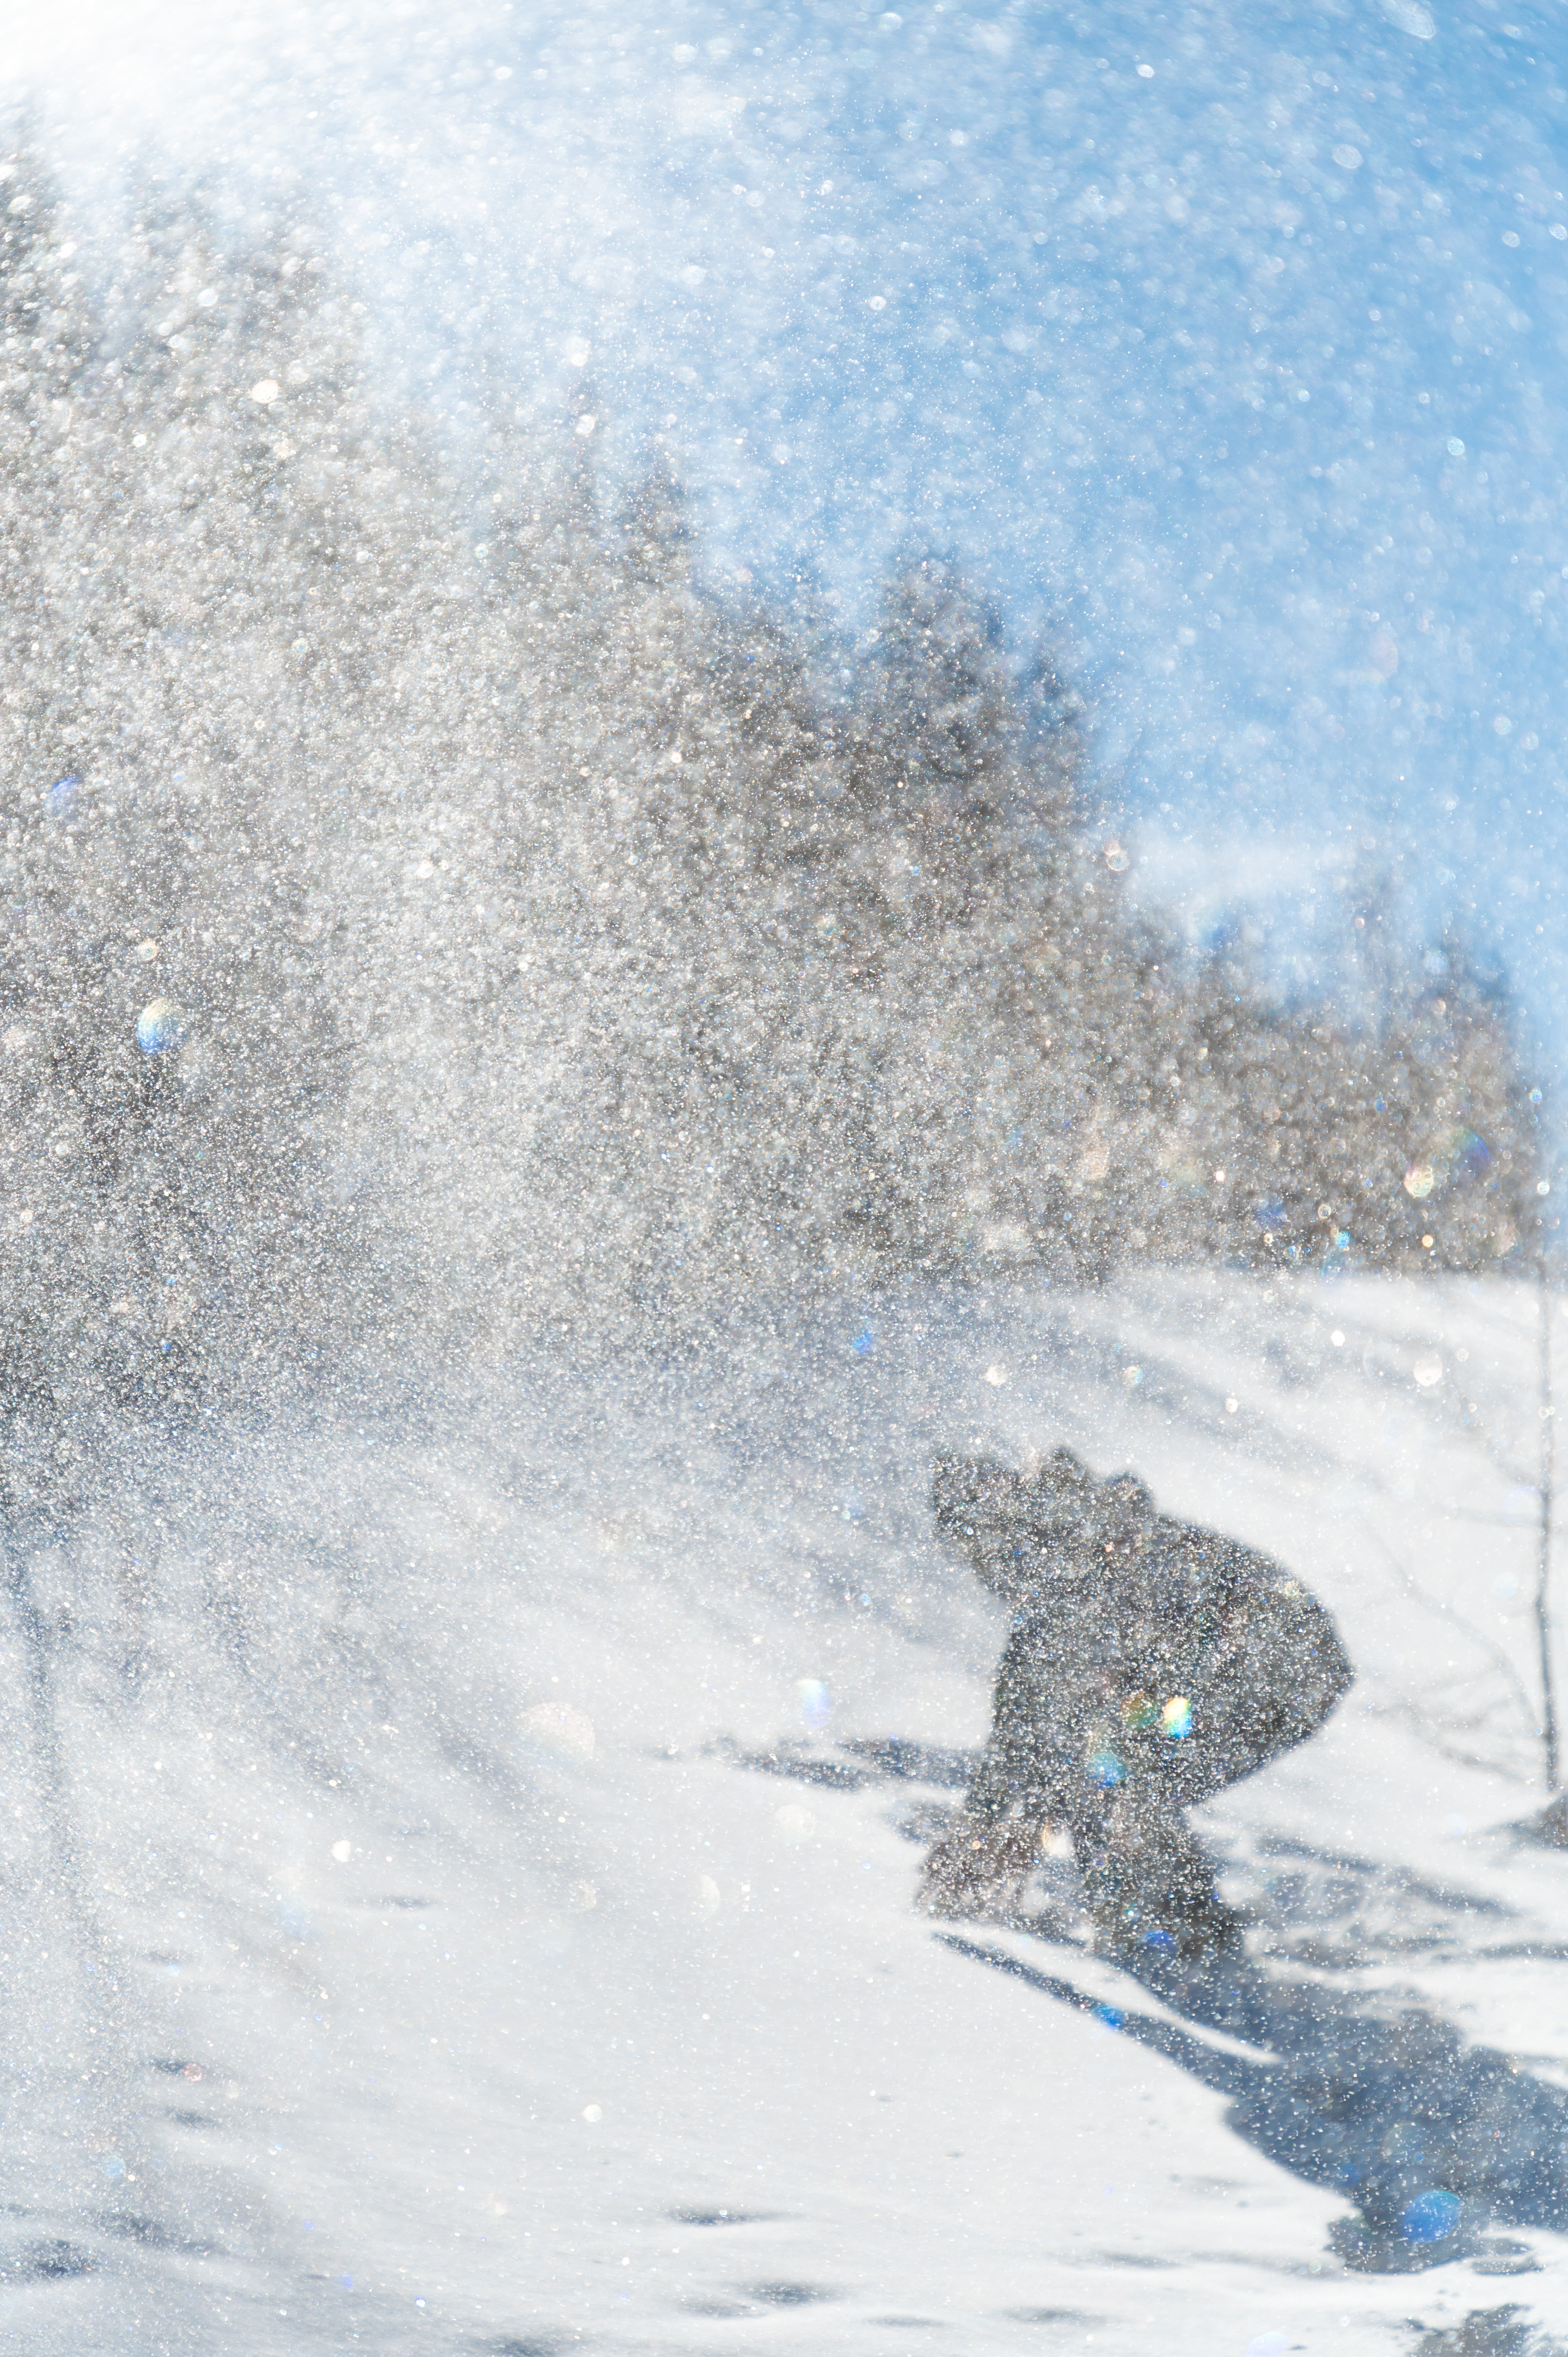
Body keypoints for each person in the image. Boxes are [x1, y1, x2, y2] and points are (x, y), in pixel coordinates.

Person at [918, 1447, 1354, 1959]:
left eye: (979, 1550)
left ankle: (1161, 1941)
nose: (983, 1571)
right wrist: (990, 1823)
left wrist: (987, 1831)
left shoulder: (1067, 1559)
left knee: (1104, 1773)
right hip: (1280, 1664)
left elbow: (1027, 1718)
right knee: (1104, 1768)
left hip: (1279, 1668)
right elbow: (1027, 1717)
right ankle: (1179, 1926)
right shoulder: (1068, 1550)